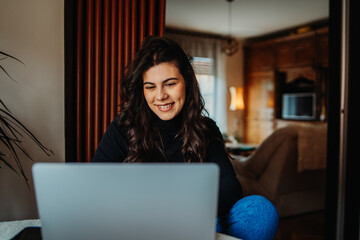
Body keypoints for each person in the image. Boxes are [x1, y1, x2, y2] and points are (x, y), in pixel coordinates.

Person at [92, 36, 279, 240]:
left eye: (169, 84)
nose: (160, 96)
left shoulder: (206, 128)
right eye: (150, 87)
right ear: (142, 89)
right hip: (143, 224)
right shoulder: (123, 126)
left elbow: (229, 187)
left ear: (186, 82)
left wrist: (187, 212)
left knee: (260, 211)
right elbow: (97, 186)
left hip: (198, 218)